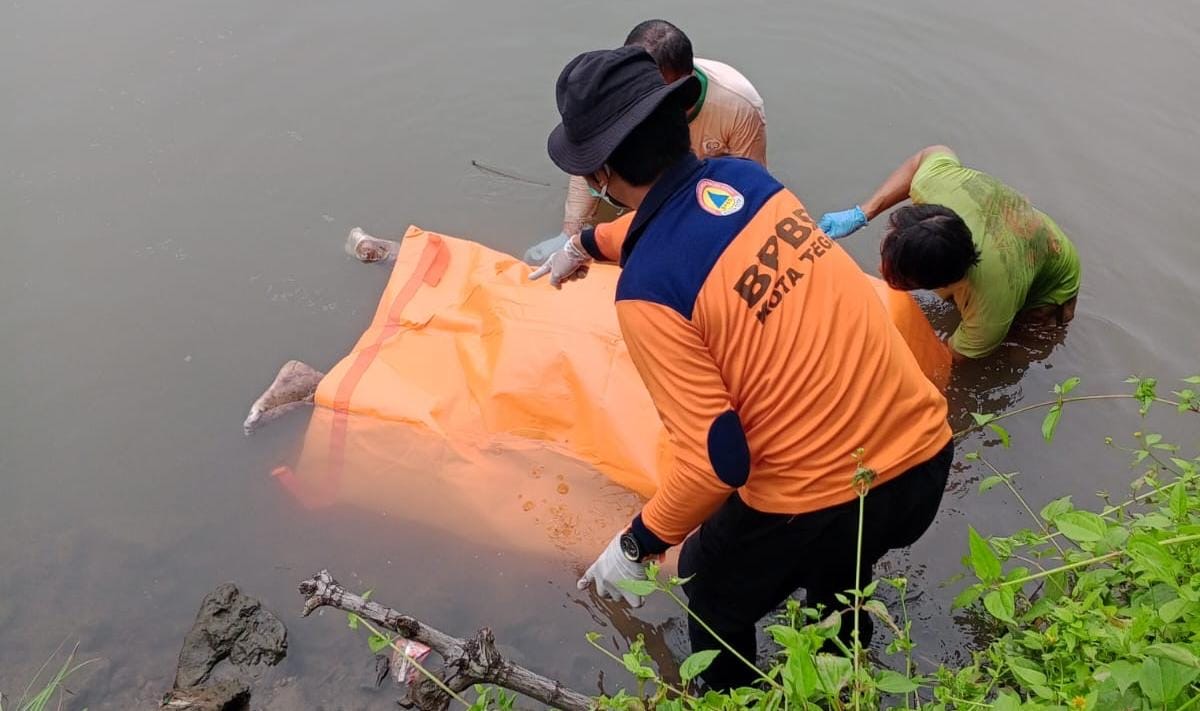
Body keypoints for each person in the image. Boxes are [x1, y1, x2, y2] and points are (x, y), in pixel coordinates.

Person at [539, 46, 953, 690]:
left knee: (710, 581)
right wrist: (586, 244)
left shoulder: (648, 294)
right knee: (838, 576)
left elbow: (715, 464)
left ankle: (737, 699)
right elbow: (676, 223)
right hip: (925, 462)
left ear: (602, 173)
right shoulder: (745, 181)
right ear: (679, 121)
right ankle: (845, 672)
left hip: (822, 495)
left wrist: (640, 542)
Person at [523, 19, 767, 265]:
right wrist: (572, 236)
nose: (647, 104)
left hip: (704, 185)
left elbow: (747, 188)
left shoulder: (738, 106)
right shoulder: (620, 91)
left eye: (657, 93)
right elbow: (588, 151)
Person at [818, 146, 1081, 361]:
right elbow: (927, 155)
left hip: (1049, 281)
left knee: (1016, 352)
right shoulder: (936, 185)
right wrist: (864, 212)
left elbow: (950, 359)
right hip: (1016, 230)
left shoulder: (991, 304)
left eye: (897, 280)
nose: (879, 272)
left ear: (945, 284)